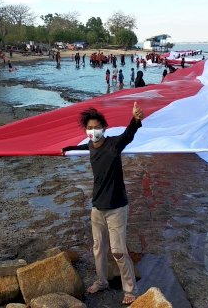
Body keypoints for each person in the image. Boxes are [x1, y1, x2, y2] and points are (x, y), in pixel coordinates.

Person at [62, 103, 144, 305]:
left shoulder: (114, 144)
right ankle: (102, 281)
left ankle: (130, 290)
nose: (92, 131)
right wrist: (65, 149)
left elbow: (128, 135)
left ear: (104, 128)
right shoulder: (90, 146)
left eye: (96, 127)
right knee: (98, 247)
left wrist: (135, 119)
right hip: (97, 206)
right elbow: (81, 147)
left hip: (117, 207)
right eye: (89, 128)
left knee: (117, 251)